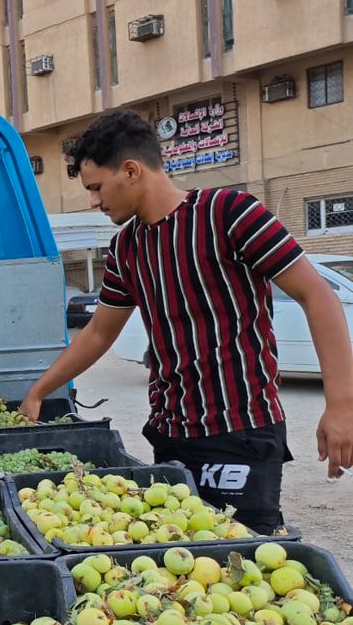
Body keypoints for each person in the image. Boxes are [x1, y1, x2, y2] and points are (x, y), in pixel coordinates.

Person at [20, 110, 353, 535]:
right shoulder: (126, 247)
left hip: (239, 430)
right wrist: (39, 392)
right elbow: (100, 333)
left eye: (96, 188)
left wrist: (342, 404)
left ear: (131, 170)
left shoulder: (230, 214)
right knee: (183, 568)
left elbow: (317, 296)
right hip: (169, 433)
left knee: (246, 559)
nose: (94, 202)